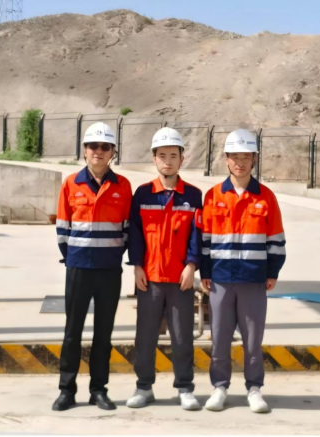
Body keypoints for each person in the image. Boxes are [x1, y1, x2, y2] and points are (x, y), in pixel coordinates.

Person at [201, 129, 287, 414]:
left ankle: (254, 389)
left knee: (252, 340)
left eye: (246, 157)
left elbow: (276, 239)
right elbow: (205, 239)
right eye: (235, 157)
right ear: (226, 159)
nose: (240, 162)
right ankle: (219, 387)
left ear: (254, 159)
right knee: (220, 337)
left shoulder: (266, 197)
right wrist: (205, 271)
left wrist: (272, 271)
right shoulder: (213, 195)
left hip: (253, 279)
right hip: (221, 279)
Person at [53, 122, 132, 412]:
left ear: (113, 152)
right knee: (72, 331)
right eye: (93, 146)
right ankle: (66, 390)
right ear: (84, 151)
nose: (99, 151)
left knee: (103, 333)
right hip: (78, 269)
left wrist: (112, 254)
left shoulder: (123, 186)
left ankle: (98, 390)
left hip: (109, 270)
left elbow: (127, 229)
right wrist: (75, 256)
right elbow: (63, 229)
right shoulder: (71, 184)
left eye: (105, 147)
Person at [126, 127, 203, 411]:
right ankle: (143, 387)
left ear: (182, 158)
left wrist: (192, 265)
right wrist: (136, 266)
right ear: (154, 158)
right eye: (162, 156)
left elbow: (197, 234)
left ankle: (184, 388)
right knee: (145, 337)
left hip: (181, 279)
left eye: (173, 155)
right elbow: (135, 233)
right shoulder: (143, 194)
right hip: (150, 278)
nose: (167, 161)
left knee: (182, 337)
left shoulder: (193, 196)